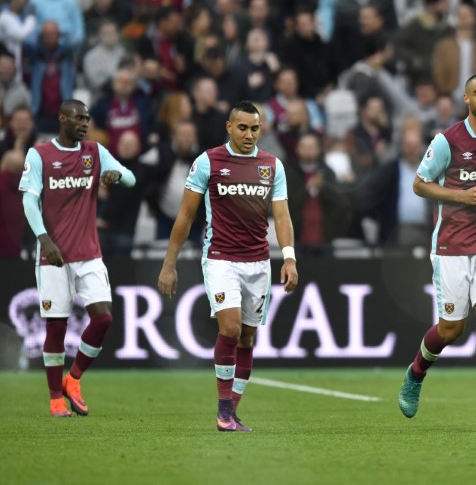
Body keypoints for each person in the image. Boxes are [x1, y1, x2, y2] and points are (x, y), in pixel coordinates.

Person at [157, 101, 299, 432]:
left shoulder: (271, 166)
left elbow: (281, 216)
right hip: (220, 258)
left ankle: (231, 411)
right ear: (229, 127)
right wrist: (169, 264)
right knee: (231, 329)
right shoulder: (208, 162)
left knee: (247, 338)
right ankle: (223, 410)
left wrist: (289, 256)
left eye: (255, 128)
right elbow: (186, 216)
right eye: (243, 128)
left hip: (259, 262)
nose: (249, 135)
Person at [397, 73, 476, 432]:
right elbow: (420, 184)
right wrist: (460, 196)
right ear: (466, 99)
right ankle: (416, 372)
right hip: (451, 244)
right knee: (451, 329)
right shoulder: (448, 140)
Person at [18, 99, 136, 417]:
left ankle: (74, 379)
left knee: (104, 318)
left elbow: (130, 178)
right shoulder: (40, 154)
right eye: (79, 118)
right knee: (56, 327)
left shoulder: (95, 152)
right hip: (53, 257)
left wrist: (115, 176)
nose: (85, 123)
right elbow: (29, 202)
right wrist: (45, 240)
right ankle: (56, 397)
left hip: (89, 254)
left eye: (87, 118)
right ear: (62, 119)